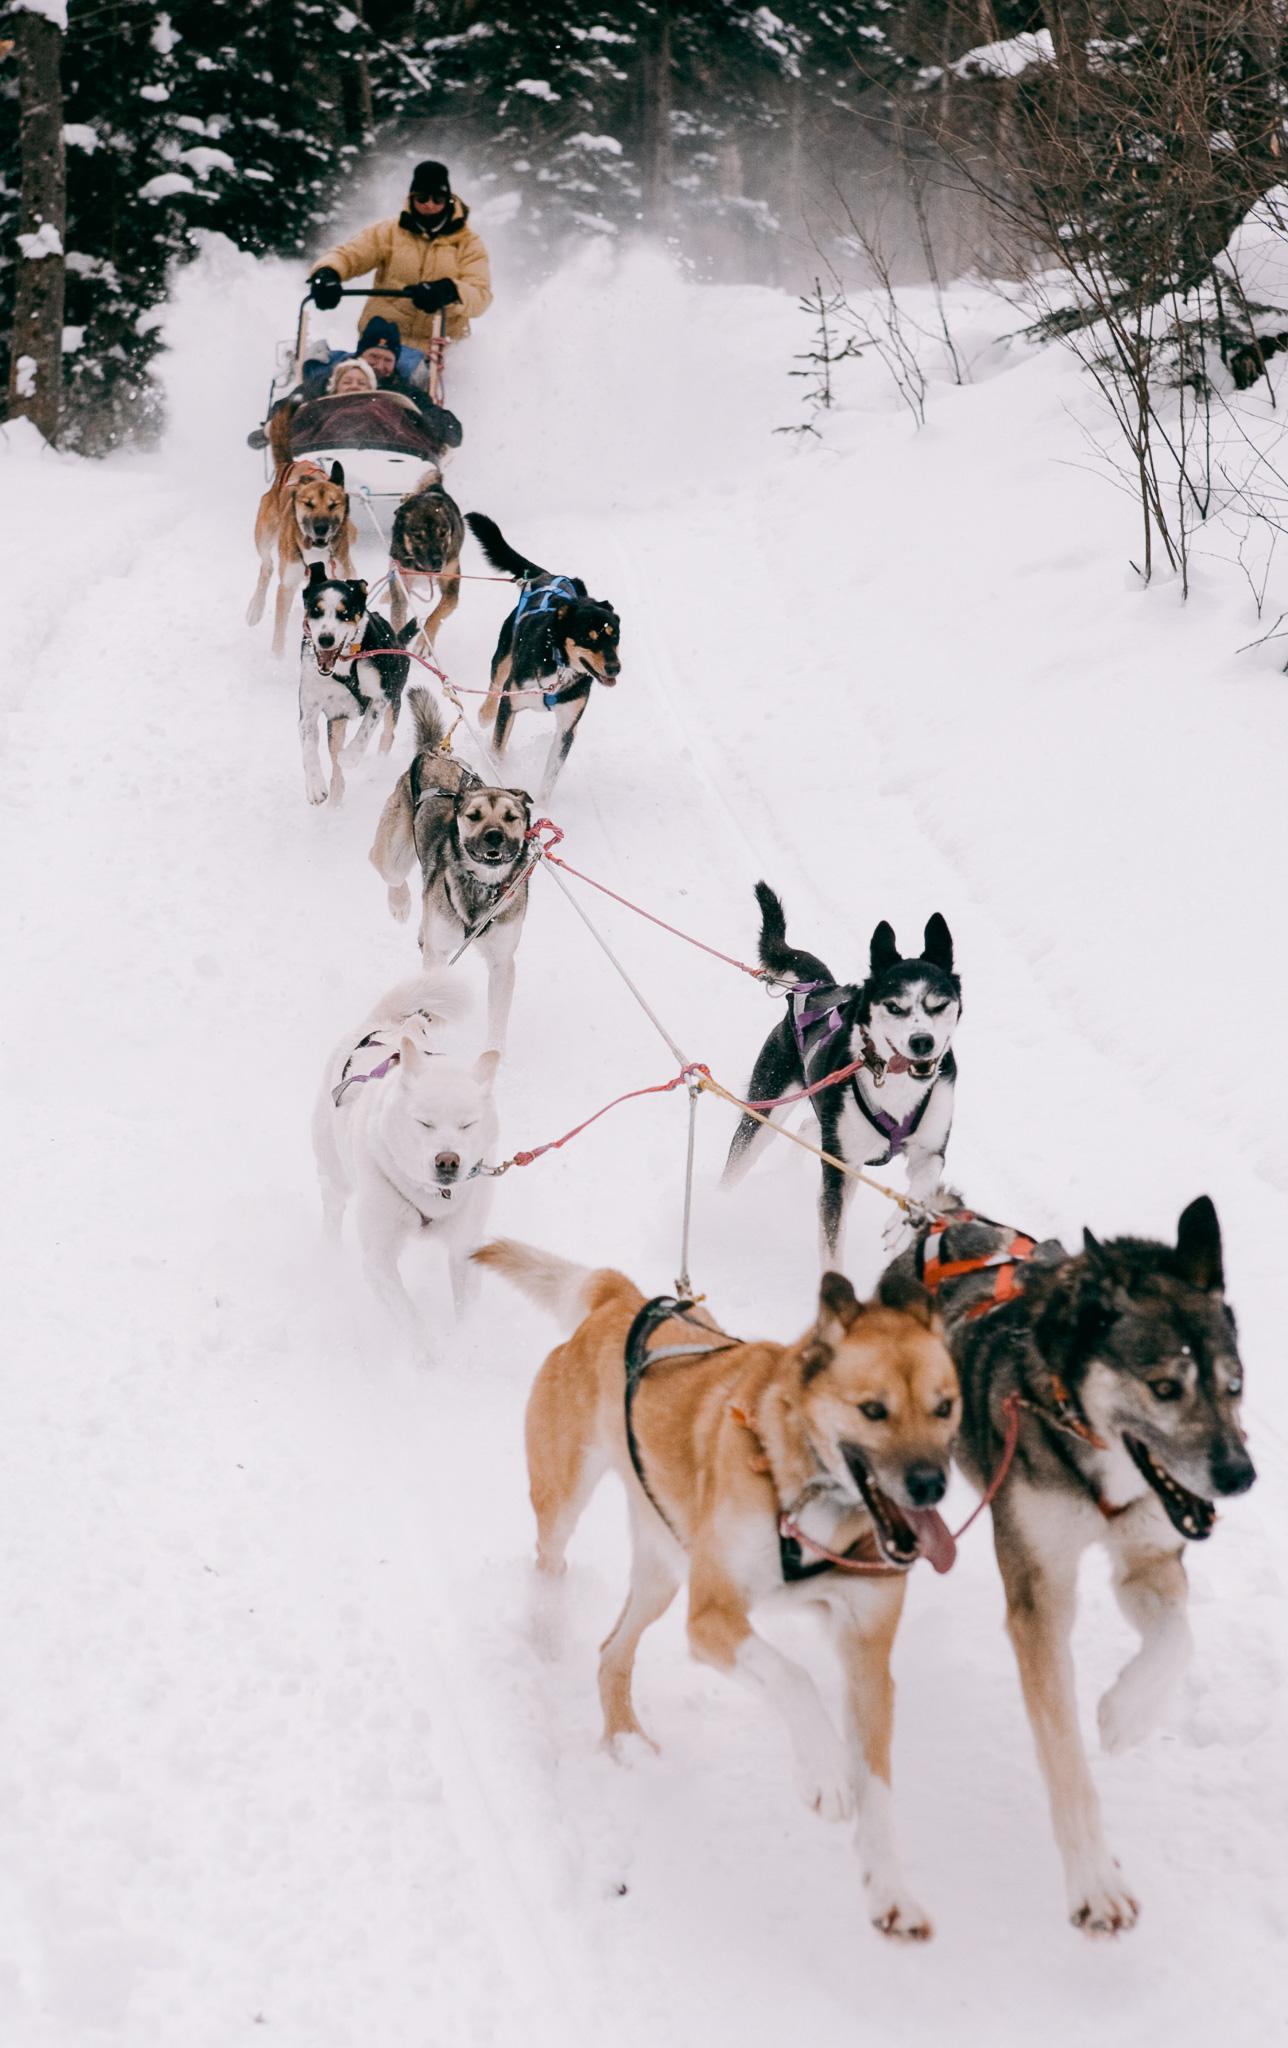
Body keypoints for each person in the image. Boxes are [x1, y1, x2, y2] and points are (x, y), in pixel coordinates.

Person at [307, 160, 492, 349]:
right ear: (411, 198)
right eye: (422, 198)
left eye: (438, 200)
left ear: (449, 201)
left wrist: (449, 291)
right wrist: (327, 273)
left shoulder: (468, 243)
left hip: (438, 349)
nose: (430, 205)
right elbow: (349, 255)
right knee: (349, 374)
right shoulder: (388, 232)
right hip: (385, 344)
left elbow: (480, 296)